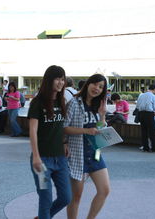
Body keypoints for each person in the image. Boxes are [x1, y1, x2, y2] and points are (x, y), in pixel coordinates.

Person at [64, 74, 110, 219]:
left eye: (101, 87)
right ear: (88, 84)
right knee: (76, 197)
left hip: (94, 153)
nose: (97, 88)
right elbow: (64, 127)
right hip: (77, 153)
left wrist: (102, 116)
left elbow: (99, 129)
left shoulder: (99, 105)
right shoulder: (74, 102)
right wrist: (85, 131)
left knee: (104, 190)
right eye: (95, 84)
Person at [28, 65, 71, 219]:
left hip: (60, 159)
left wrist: (65, 143)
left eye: (62, 79)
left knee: (66, 197)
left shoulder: (62, 101)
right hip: (42, 161)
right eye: (57, 79)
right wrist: (36, 157)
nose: (60, 82)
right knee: (45, 199)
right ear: (49, 80)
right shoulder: (37, 103)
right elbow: (32, 131)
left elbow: (60, 127)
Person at [136, 84, 155, 152]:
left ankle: (145, 148)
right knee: (152, 131)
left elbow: (137, 106)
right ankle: (154, 148)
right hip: (149, 114)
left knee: (144, 131)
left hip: (141, 114)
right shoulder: (153, 96)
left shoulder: (141, 95)